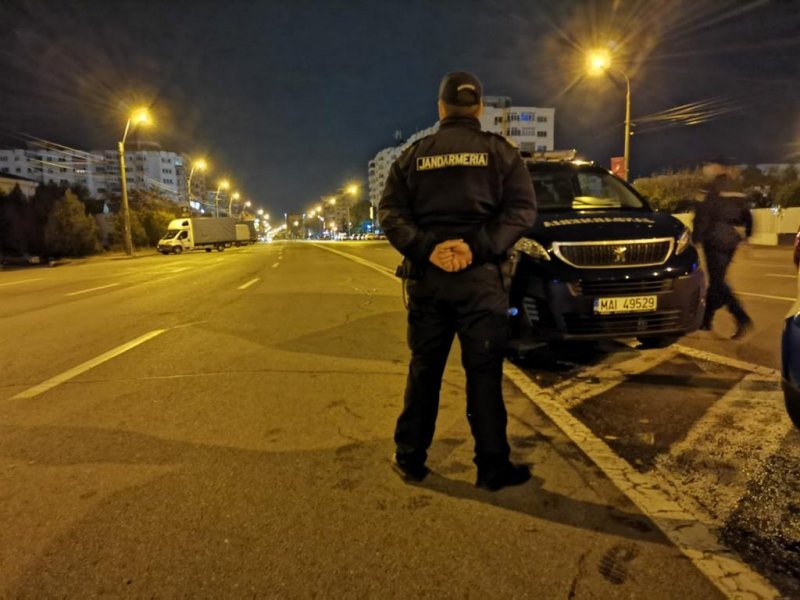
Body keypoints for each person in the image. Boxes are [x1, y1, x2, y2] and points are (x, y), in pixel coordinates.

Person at [378, 71, 537, 491]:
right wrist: (476, 247)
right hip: (481, 283)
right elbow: (522, 210)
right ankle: (492, 468)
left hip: (428, 282)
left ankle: (410, 458)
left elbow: (390, 213)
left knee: (424, 371)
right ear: (479, 108)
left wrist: (427, 248)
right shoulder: (500, 153)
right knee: (484, 375)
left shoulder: (414, 155)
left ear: (441, 108)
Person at [692, 159, 753, 339]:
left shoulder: (709, 188)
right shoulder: (736, 187)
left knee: (718, 282)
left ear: (717, 168)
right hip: (731, 238)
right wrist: (747, 235)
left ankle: (741, 317)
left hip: (714, 238)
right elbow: (747, 214)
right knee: (716, 281)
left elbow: (702, 215)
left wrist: (696, 238)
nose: (707, 169)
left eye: (709, 165)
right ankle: (705, 320)